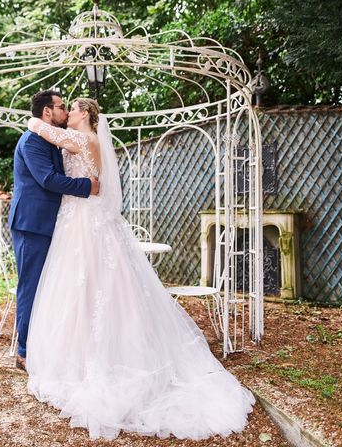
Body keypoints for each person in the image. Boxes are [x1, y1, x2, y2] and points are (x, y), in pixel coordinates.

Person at [24, 98, 255, 441]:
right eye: (65, 108)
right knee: (82, 290)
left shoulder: (85, 140)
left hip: (85, 222)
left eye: (72, 108)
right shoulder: (91, 141)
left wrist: (31, 121)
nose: (67, 113)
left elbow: (49, 134)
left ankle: (99, 358)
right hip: (79, 220)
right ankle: (81, 352)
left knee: (92, 286)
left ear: (86, 114)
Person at [9, 90, 100, 371]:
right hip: (32, 224)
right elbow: (48, 179)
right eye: (61, 107)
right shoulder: (33, 140)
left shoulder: (50, 136)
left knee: (50, 287)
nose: (65, 111)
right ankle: (24, 351)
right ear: (47, 111)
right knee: (31, 287)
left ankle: (47, 344)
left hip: (55, 224)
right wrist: (87, 187)